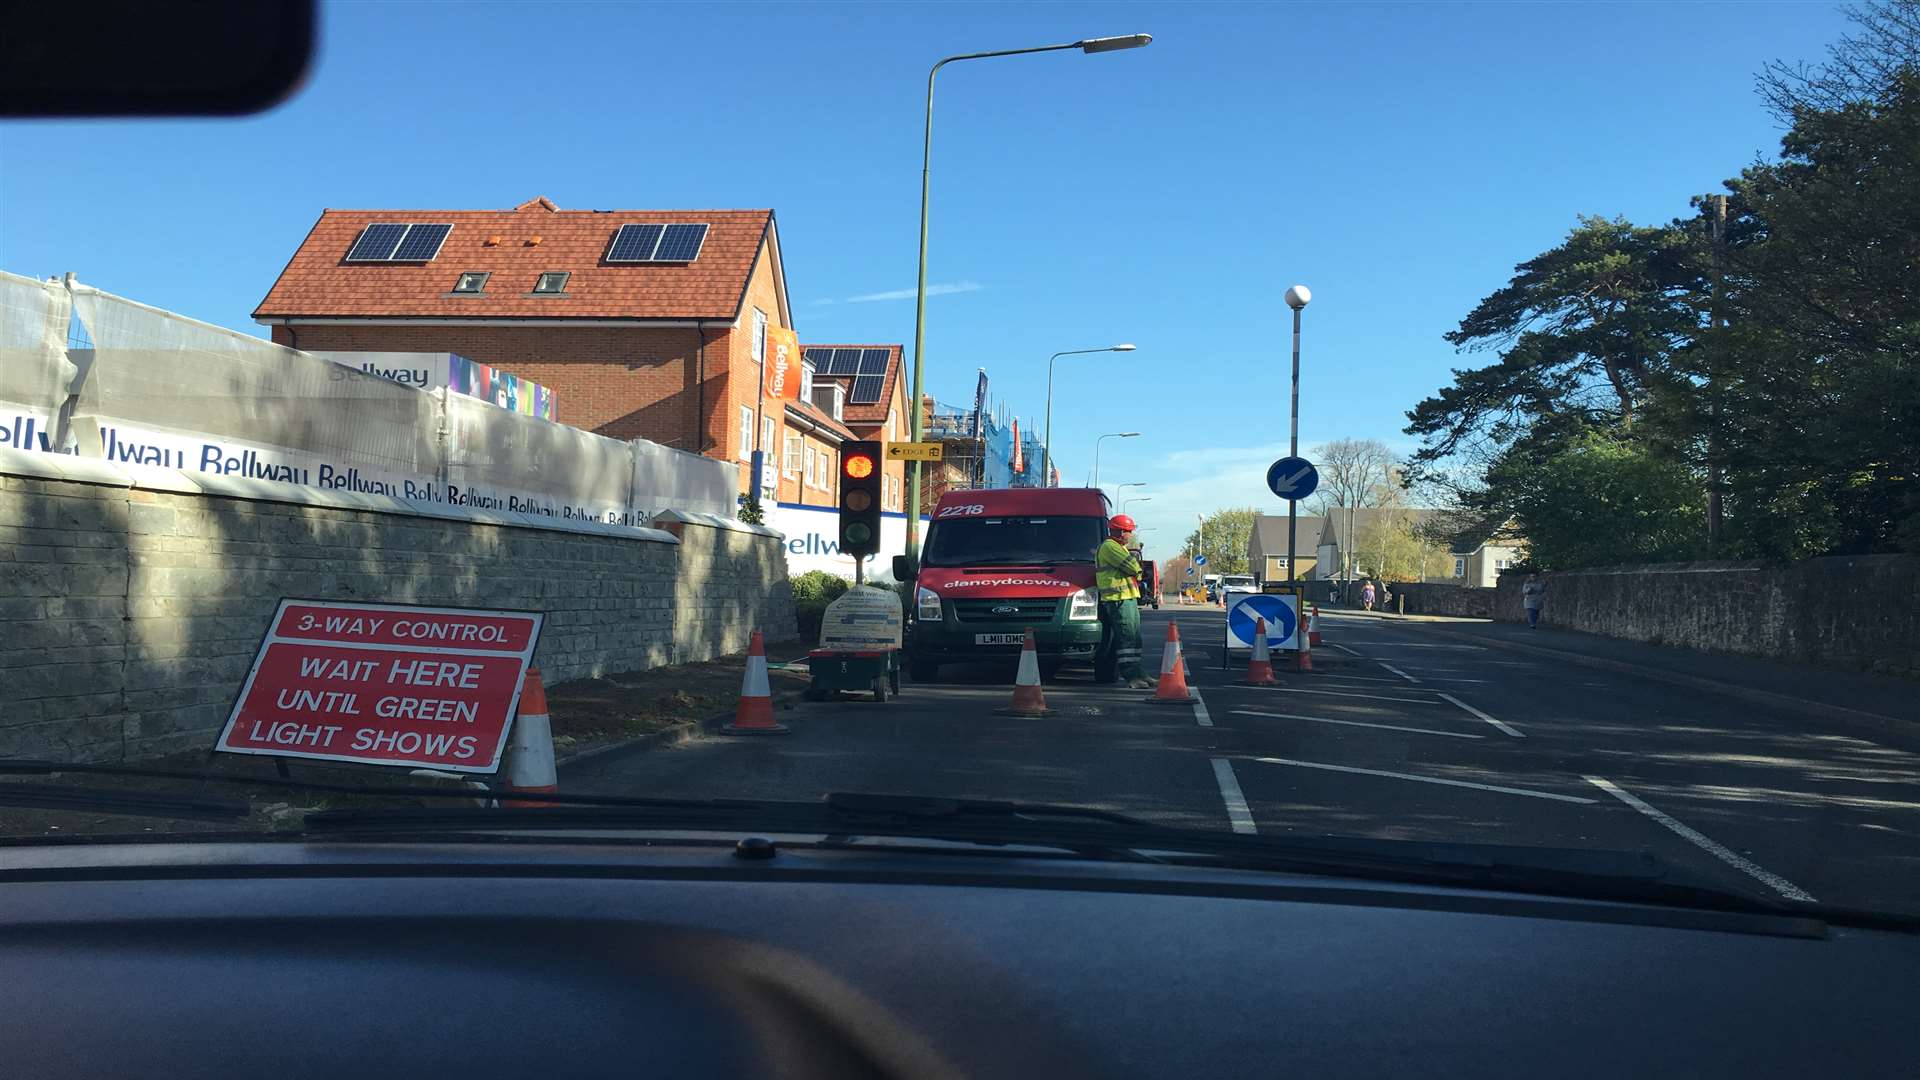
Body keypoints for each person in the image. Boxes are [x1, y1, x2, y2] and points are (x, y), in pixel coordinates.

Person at [1095, 514, 1154, 689]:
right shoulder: (1110, 547)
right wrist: (1136, 569)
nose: (1130, 535)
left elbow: (1135, 569)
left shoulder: (1118, 547)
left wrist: (1136, 570)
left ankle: (1139, 673)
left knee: (1135, 639)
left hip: (1126, 598)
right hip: (1117, 600)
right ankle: (1131, 677)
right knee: (1127, 639)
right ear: (1120, 532)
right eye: (1129, 531)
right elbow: (1133, 567)